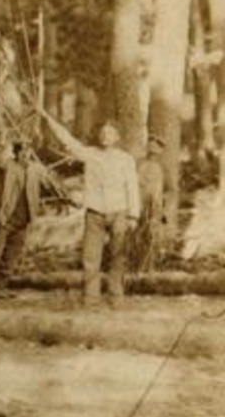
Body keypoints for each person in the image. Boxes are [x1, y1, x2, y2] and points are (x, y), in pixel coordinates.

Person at [39, 109, 140, 305]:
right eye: (102, 132)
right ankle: (91, 297)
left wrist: (133, 216)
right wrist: (47, 118)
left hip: (120, 212)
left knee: (118, 256)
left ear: (117, 137)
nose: (105, 136)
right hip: (95, 212)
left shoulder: (126, 159)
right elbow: (68, 141)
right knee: (91, 257)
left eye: (110, 133)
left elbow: (133, 187)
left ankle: (116, 296)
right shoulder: (90, 154)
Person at [0, 139, 44, 299]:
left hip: (23, 221)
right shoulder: (8, 165)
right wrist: (1, 141)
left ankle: (0, 289)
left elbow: (49, 183)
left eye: (28, 150)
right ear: (15, 153)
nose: (25, 154)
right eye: (21, 151)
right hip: (5, 218)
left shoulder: (35, 169)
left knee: (11, 255)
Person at [133, 135, 168, 274]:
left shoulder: (160, 168)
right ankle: (137, 268)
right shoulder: (140, 165)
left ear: (160, 151)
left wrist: (160, 210)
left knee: (152, 237)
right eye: (150, 146)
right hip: (140, 205)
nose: (153, 150)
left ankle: (150, 268)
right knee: (138, 236)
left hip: (154, 208)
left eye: (156, 148)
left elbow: (160, 191)